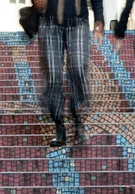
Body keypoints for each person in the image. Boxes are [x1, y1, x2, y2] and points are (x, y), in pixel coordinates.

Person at [33, 0, 105, 147]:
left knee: (78, 69)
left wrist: (99, 18)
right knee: (53, 78)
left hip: (78, 21)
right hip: (49, 22)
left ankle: (77, 114)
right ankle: (59, 126)